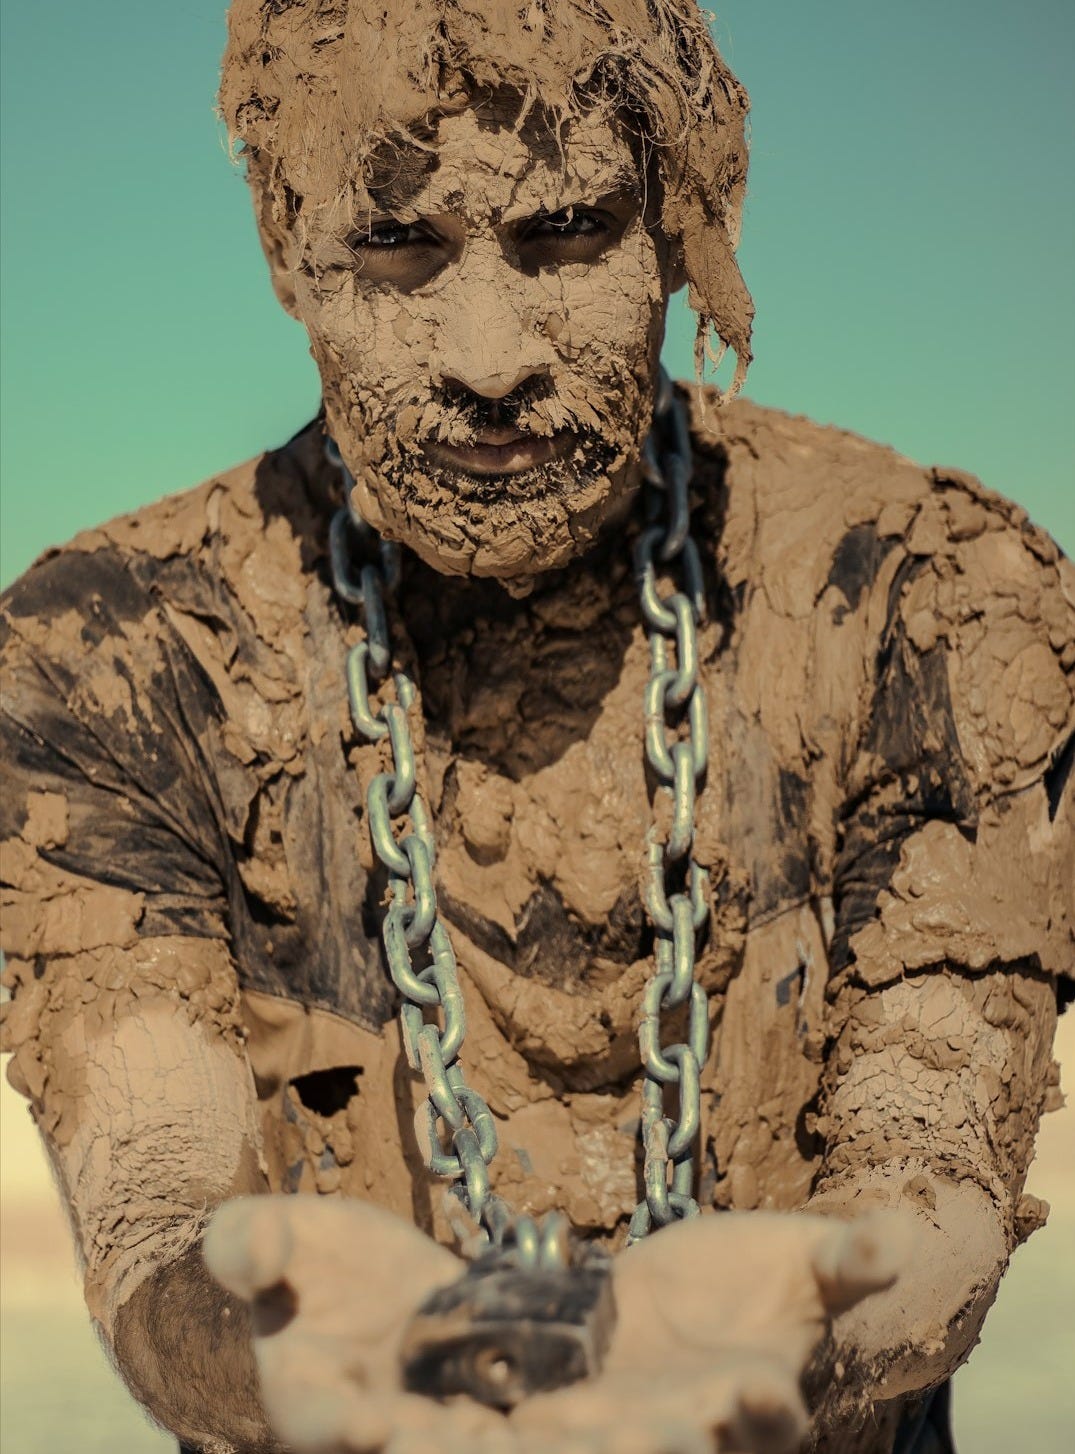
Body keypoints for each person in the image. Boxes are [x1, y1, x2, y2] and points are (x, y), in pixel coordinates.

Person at [1, 3, 1071, 1452]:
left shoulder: (928, 599)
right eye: (397, 247)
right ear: (282, 252)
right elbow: (154, 1209)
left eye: (568, 231)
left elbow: (933, 1182)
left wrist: (806, 1333)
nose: (490, 356)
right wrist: (265, 1345)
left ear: (686, 225)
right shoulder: (112, 654)